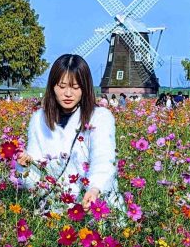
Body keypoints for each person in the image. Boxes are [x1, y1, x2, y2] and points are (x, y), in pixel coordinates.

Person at [16, 54, 119, 217]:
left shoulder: (100, 117)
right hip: (54, 208)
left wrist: (95, 187)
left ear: (85, 88)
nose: (68, 93)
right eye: (62, 86)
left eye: (76, 87)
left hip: (94, 206)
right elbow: (35, 173)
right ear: (52, 87)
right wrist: (26, 165)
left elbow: (104, 159)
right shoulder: (39, 119)